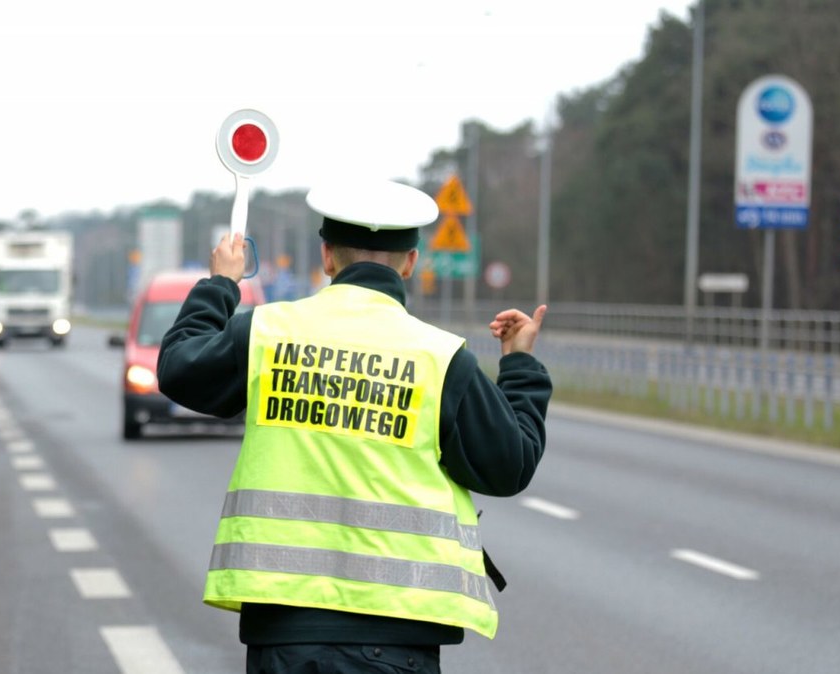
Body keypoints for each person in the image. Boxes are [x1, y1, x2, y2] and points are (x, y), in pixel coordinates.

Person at [157, 178, 551, 674]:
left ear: (327, 257)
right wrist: (519, 366)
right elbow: (508, 466)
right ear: (411, 262)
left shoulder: (268, 332)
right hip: (398, 637)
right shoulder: (441, 358)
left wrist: (221, 284)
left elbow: (178, 369)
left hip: (285, 631)